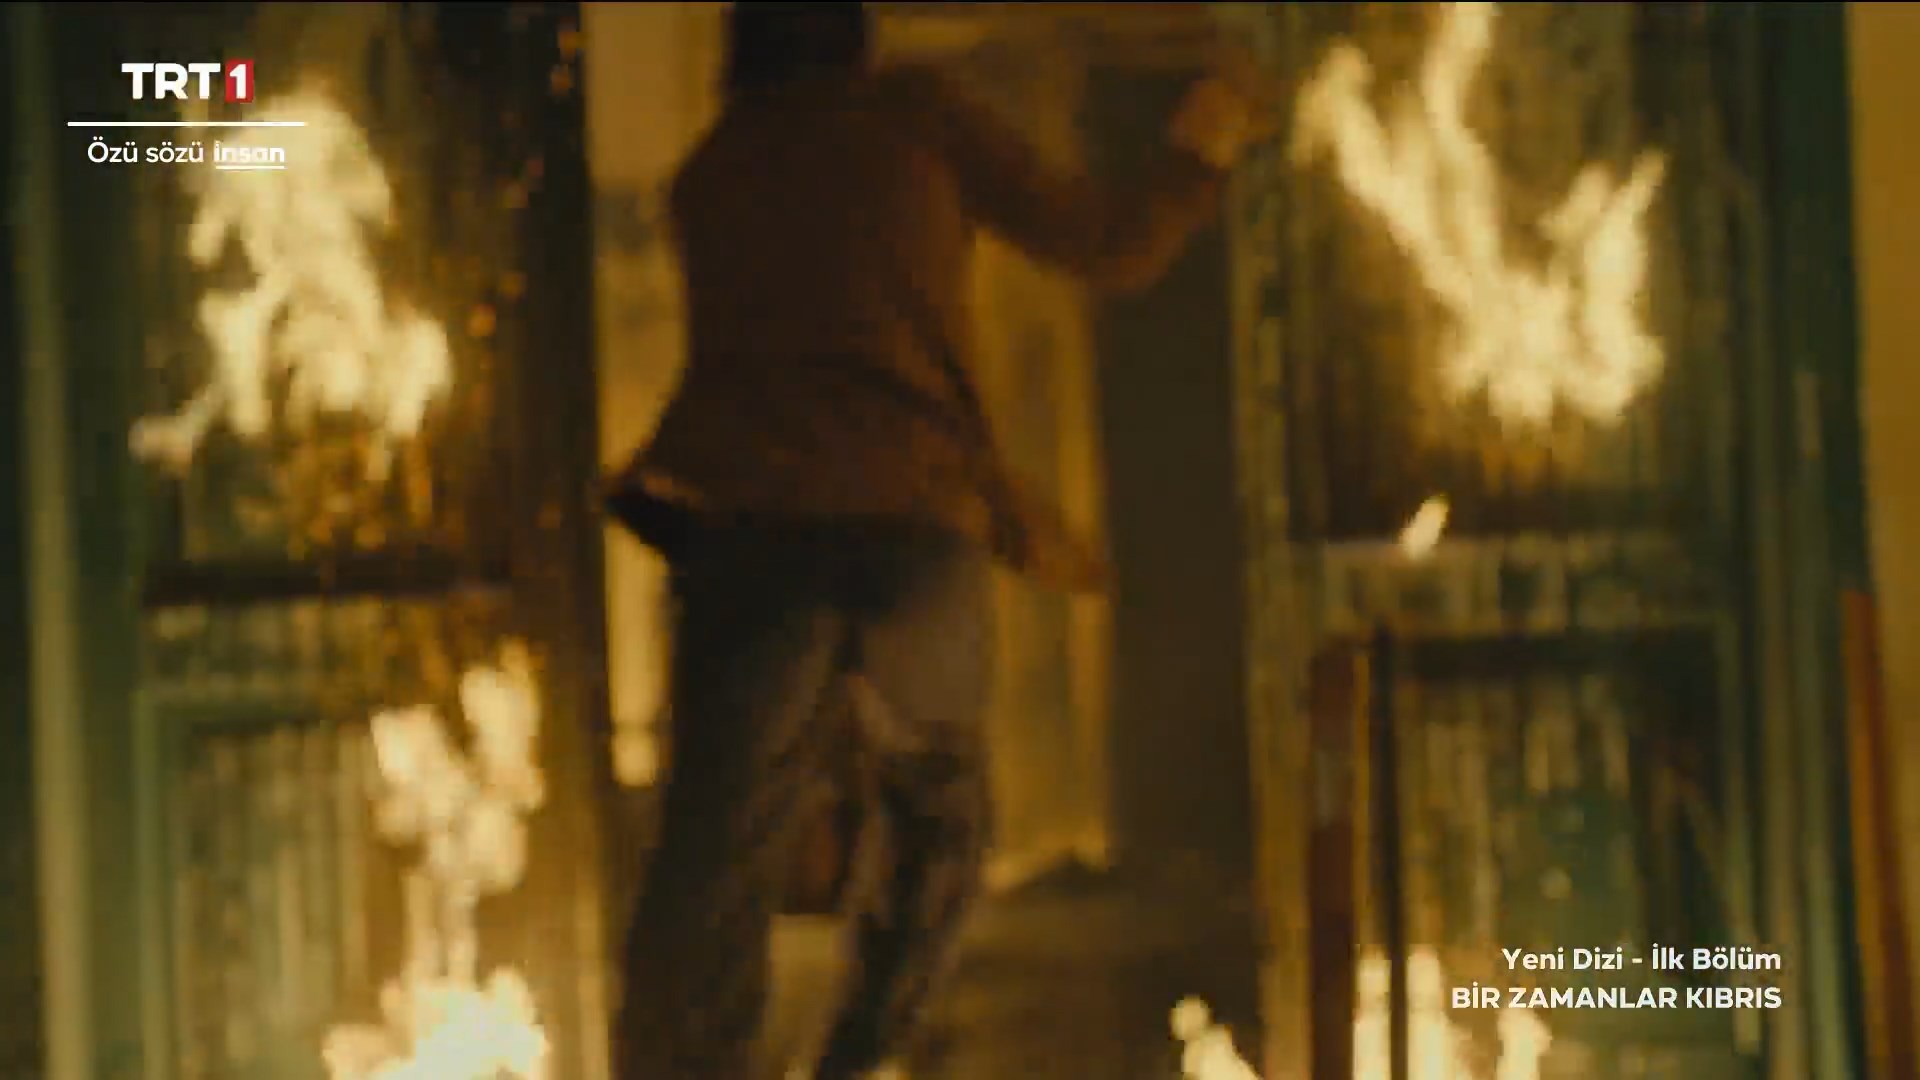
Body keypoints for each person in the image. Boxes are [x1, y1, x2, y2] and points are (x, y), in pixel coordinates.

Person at [606, 4, 1261, 1077]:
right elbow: (1112, 245)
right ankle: (861, 1061)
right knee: (935, 824)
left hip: (751, 539)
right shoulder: (917, 121)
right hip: (912, 529)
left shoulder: (714, 171)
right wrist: (1206, 141)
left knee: (716, 854)